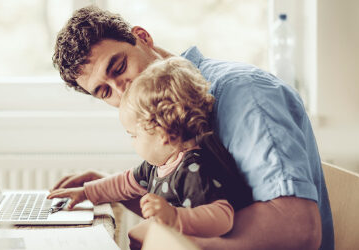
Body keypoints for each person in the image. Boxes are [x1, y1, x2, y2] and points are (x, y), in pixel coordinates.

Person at [51, 6, 331, 250]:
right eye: (104, 92)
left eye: (119, 66)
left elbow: (299, 229)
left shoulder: (244, 94)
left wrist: (172, 241)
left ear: (143, 38)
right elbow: (190, 199)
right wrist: (107, 188)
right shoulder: (160, 104)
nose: (121, 91)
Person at [48, 57, 253, 245]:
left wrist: (174, 217)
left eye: (133, 135)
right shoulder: (157, 165)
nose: (132, 142)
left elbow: (223, 217)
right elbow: (124, 183)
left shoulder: (193, 170)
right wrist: (86, 193)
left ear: (163, 133)